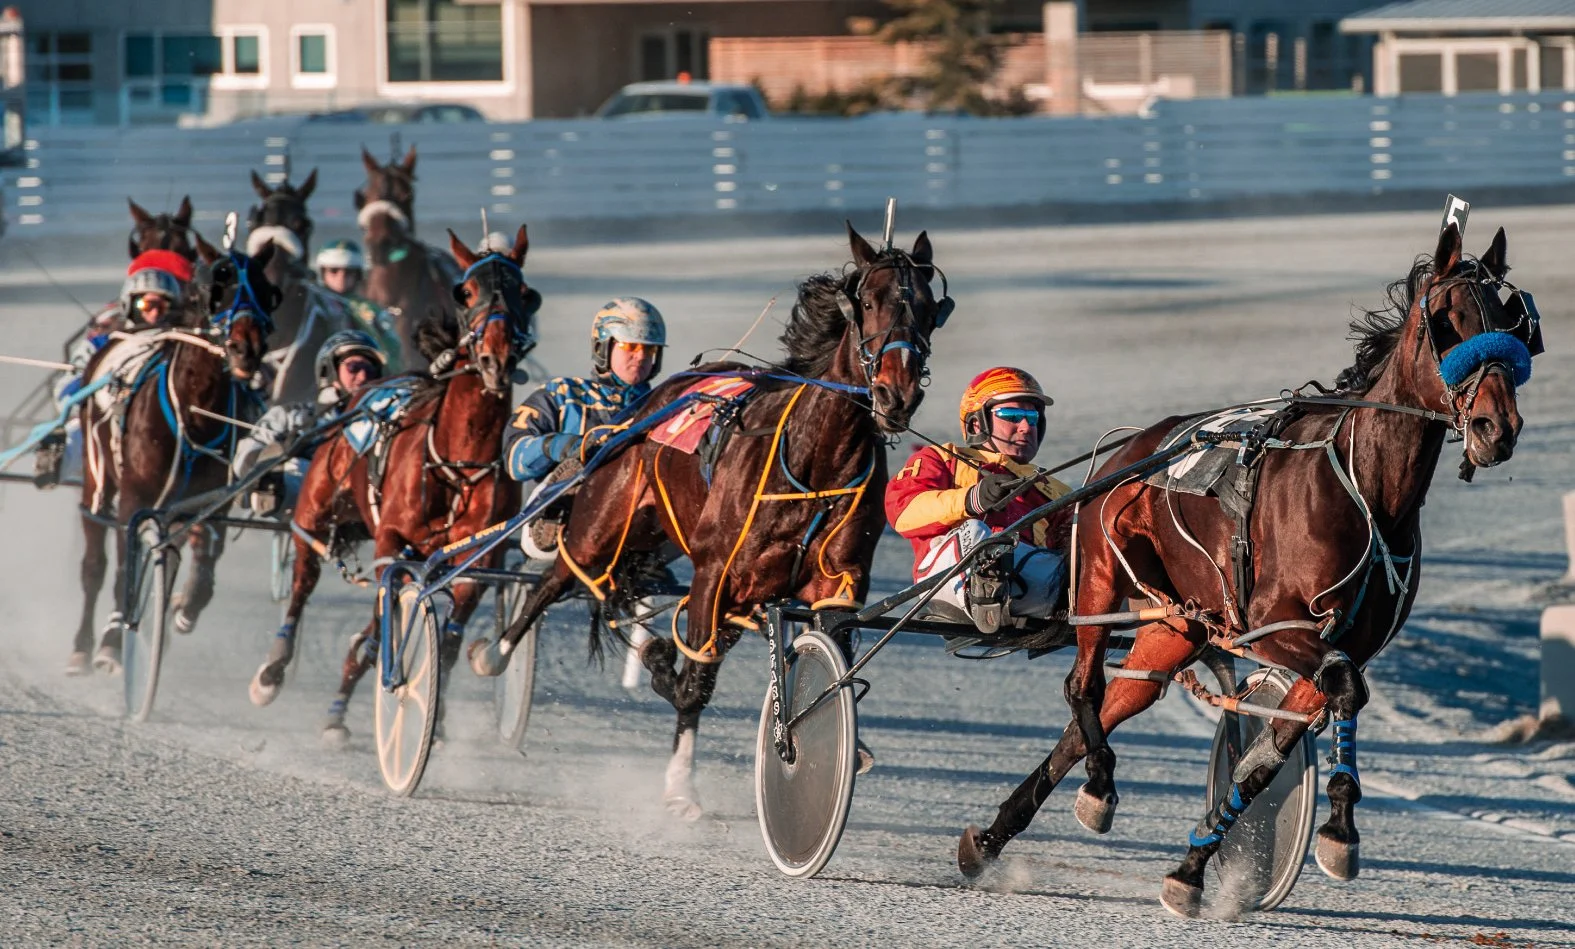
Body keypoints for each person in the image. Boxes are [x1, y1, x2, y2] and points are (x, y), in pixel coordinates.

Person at [503, 297, 667, 687]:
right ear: (604, 347)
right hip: (563, 515)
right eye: (629, 347)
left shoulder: (667, 406)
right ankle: (557, 520)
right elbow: (514, 456)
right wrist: (564, 447)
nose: (639, 358)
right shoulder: (561, 394)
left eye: (648, 350)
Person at [884, 367, 1074, 635]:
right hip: (946, 580)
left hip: (1028, 589)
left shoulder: (1052, 488)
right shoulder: (941, 458)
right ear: (976, 423)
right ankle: (984, 591)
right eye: (1012, 415)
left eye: (1033, 417)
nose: (1026, 427)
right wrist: (972, 499)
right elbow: (903, 513)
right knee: (978, 534)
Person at [35, 250, 193, 487]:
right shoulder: (105, 340)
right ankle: (55, 463)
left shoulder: (184, 343)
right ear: (131, 304)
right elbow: (68, 384)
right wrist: (90, 398)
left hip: (168, 421)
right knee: (81, 428)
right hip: (109, 412)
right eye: (147, 304)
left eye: (163, 305)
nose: (154, 312)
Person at [231, 329, 386, 516]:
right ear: (329, 369)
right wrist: (270, 460)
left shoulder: (383, 423)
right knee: (296, 467)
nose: (362, 376)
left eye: (369, 370)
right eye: (354, 367)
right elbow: (244, 456)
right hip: (297, 500)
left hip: (362, 503)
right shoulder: (289, 415)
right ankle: (270, 482)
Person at [313, 238, 403, 371]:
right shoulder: (313, 303)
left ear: (358, 274)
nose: (341, 277)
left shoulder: (369, 309)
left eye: (349, 272)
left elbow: (392, 349)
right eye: (334, 270)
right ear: (323, 272)